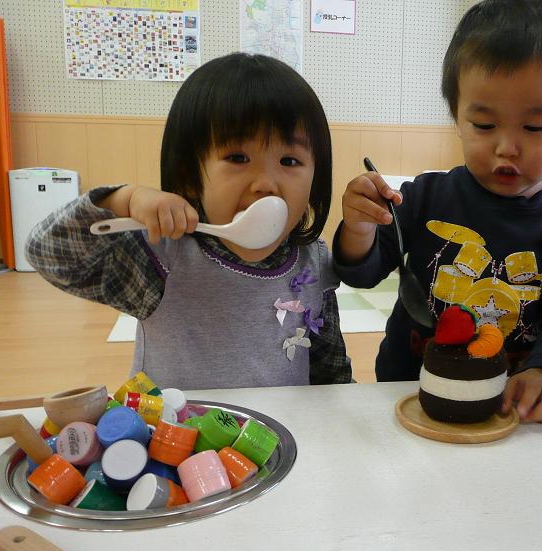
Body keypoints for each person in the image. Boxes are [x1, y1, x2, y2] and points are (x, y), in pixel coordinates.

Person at [333, 0, 542, 424]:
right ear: (457, 115)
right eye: (484, 125)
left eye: (533, 127)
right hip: (408, 390)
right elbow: (360, 273)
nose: (506, 146)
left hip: (511, 404)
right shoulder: (423, 197)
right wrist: (360, 226)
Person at [27, 53, 351, 390]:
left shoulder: (312, 263)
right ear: (190, 175)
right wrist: (123, 199)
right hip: (175, 437)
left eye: (289, 160)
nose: (266, 183)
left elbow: (330, 371)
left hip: (279, 438)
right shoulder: (161, 257)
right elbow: (49, 255)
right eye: (238, 158)